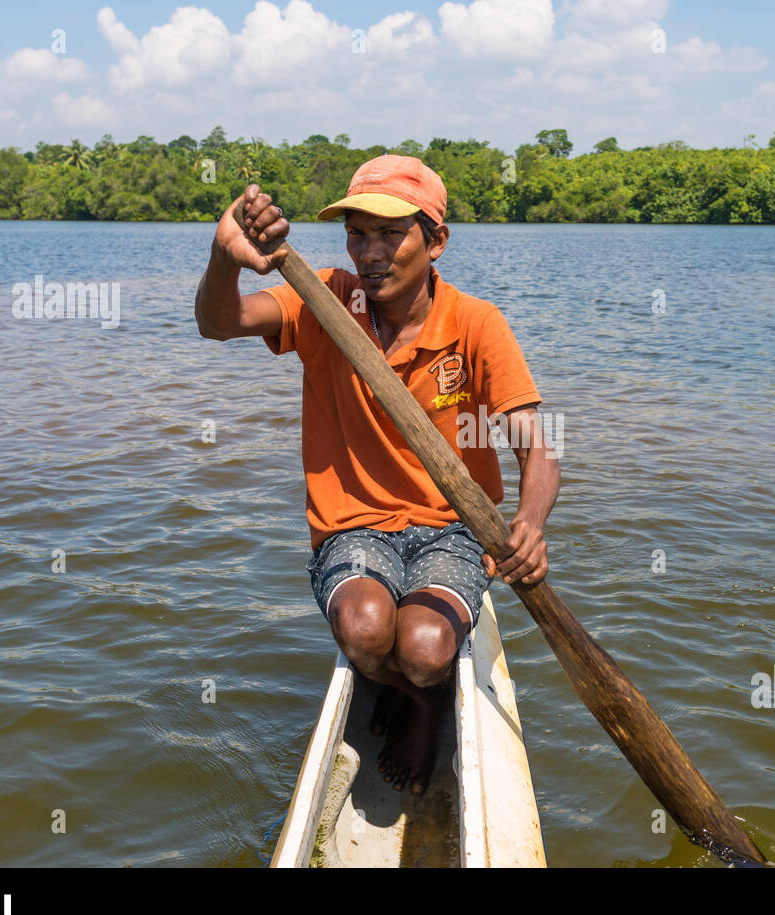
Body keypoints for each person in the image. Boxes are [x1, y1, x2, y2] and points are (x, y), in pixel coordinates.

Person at [194, 155, 559, 796]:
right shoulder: (323, 298)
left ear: (436, 241)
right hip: (353, 525)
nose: (371, 252)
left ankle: (420, 703)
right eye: (358, 233)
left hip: (453, 529)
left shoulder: (475, 324)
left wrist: (528, 525)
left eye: (392, 234)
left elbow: (537, 447)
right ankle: (412, 698)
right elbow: (219, 324)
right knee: (366, 629)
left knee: (422, 645)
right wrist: (226, 257)